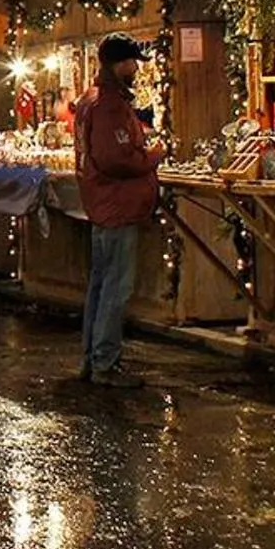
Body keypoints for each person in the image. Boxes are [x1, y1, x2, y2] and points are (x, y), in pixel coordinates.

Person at [71, 33, 167, 386]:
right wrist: (154, 155)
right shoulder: (109, 105)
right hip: (118, 204)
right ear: (118, 64)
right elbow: (117, 159)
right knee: (115, 286)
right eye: (131, 63)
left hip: (102, 203)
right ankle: (105, 363)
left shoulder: (90, 100)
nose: (135, 70)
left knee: (101, 284)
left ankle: (92, 357)